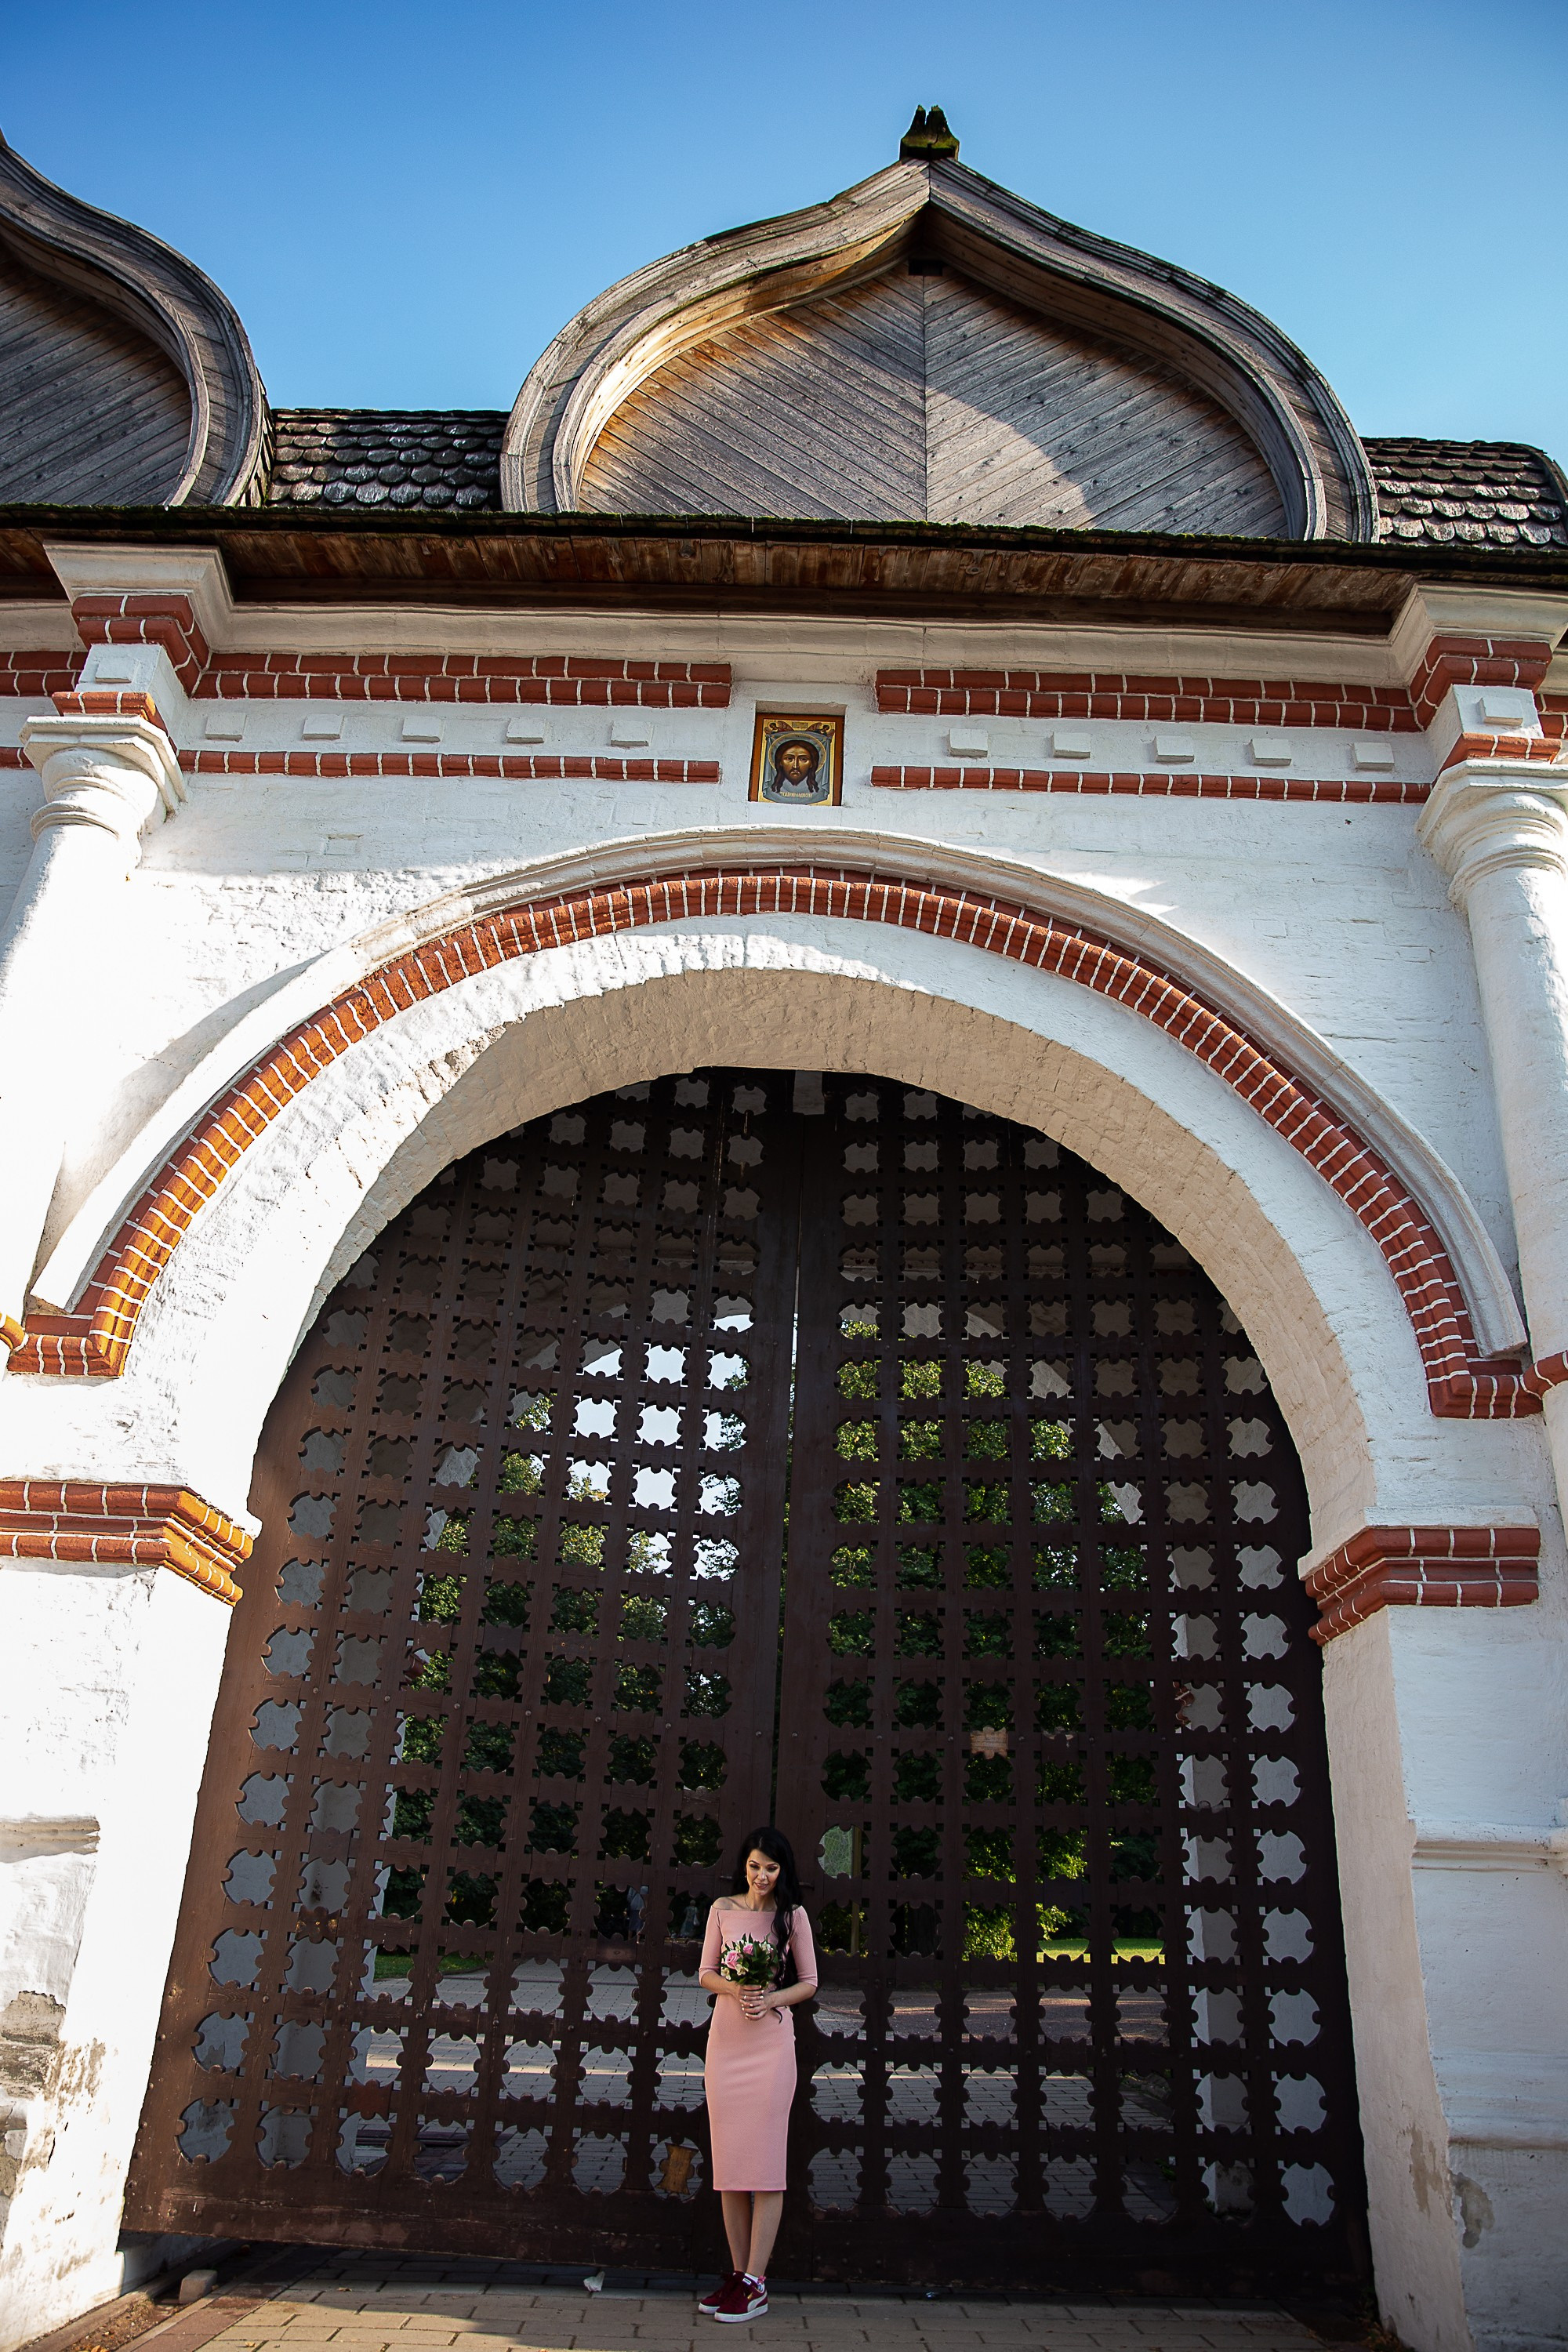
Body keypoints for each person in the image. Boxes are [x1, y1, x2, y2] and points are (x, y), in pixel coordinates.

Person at [695, 1827, 817, 2321]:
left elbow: (809, 1982)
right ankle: (737, 2275)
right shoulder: (722, 1909)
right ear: (742, 1866)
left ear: (782, 1871)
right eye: (754, 1866)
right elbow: (703, 1971)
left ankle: (757, 2282)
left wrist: (768, 1997)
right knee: (729, 2171)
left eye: (771, 1867)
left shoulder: (793, 1916)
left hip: (770, 2045)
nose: (762, 1876)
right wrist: (733, 1987)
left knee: (764, 2168)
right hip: (726, 2044)